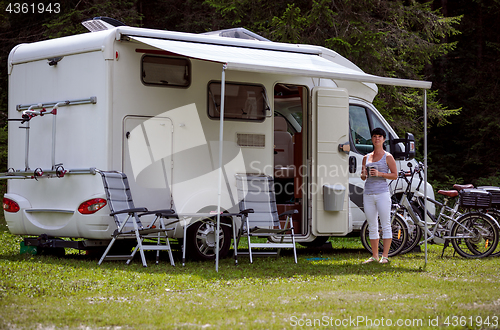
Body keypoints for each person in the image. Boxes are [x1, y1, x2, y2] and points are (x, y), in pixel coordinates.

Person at [361, 127, 397, 264]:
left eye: (379, 136)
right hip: (368, 193)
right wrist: (364, 175)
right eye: (375, 136)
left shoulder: (388, 157)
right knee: (372, 225)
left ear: (384, 139)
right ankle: (374, 255)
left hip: (382, 193)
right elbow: (363, 175)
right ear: (372, 139)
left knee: (386, 224)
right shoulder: (366, 157)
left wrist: (380, 174)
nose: (377, 139)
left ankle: (385, 256)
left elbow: (394, 175)